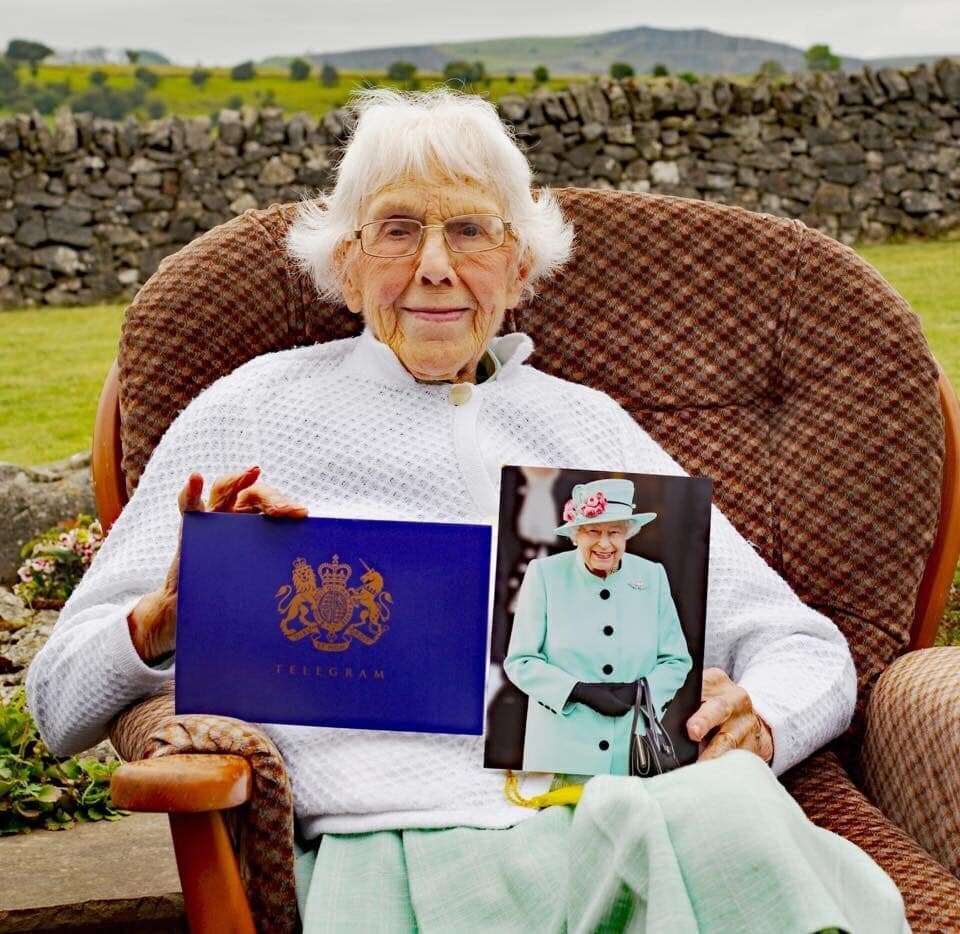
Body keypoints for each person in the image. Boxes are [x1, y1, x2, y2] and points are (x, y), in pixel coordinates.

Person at [26, 88, 908, 931]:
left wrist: (762, 722)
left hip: (633, 815)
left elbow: (798, 642)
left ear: (519, 264)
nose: (435, 266)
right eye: (398, 230)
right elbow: (57, 700)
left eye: (470, 231)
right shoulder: (252, 410)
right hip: (399, 846)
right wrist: (168, 620)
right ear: (346, 260)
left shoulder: (585, 423)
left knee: (732, 807)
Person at [504, 478, 692, 775]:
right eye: (594, 531)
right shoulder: (545, 575)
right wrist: (577, 691)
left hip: (632, 752)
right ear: (576, 534)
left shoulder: (652, 576)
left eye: (615, 532)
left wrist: (642, 693)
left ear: (627, 535)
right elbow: (521, 661)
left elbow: (676, 660)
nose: (605, 544)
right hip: (560, 754)